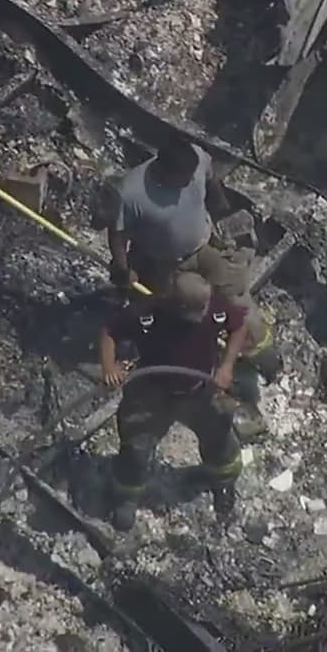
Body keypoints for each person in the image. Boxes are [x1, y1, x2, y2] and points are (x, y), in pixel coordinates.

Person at [99, 271, 248, 531]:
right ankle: (127, 496)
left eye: (206, 305)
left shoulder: (214, 307)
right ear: (177, 305)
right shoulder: (146, 314)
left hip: (199, 389)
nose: (205, 312)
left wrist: (226, 366)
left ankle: (223, 481)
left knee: (219, 435)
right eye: (199, 309)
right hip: (151, 393)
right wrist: (109, 367)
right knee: (136, 448)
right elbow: (109, 332)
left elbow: (238, 326)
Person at [106, 139, 245, 302]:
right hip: (160, 263)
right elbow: (117, 234)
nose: (192, 180)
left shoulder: (197, 158)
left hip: (202, 246)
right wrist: (122, 268)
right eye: (185, 177)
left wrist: (221, 204)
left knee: (232, 285)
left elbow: (210, 175)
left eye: (193, 174)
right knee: (177, 300)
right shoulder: (129, 193)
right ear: (164, 172)